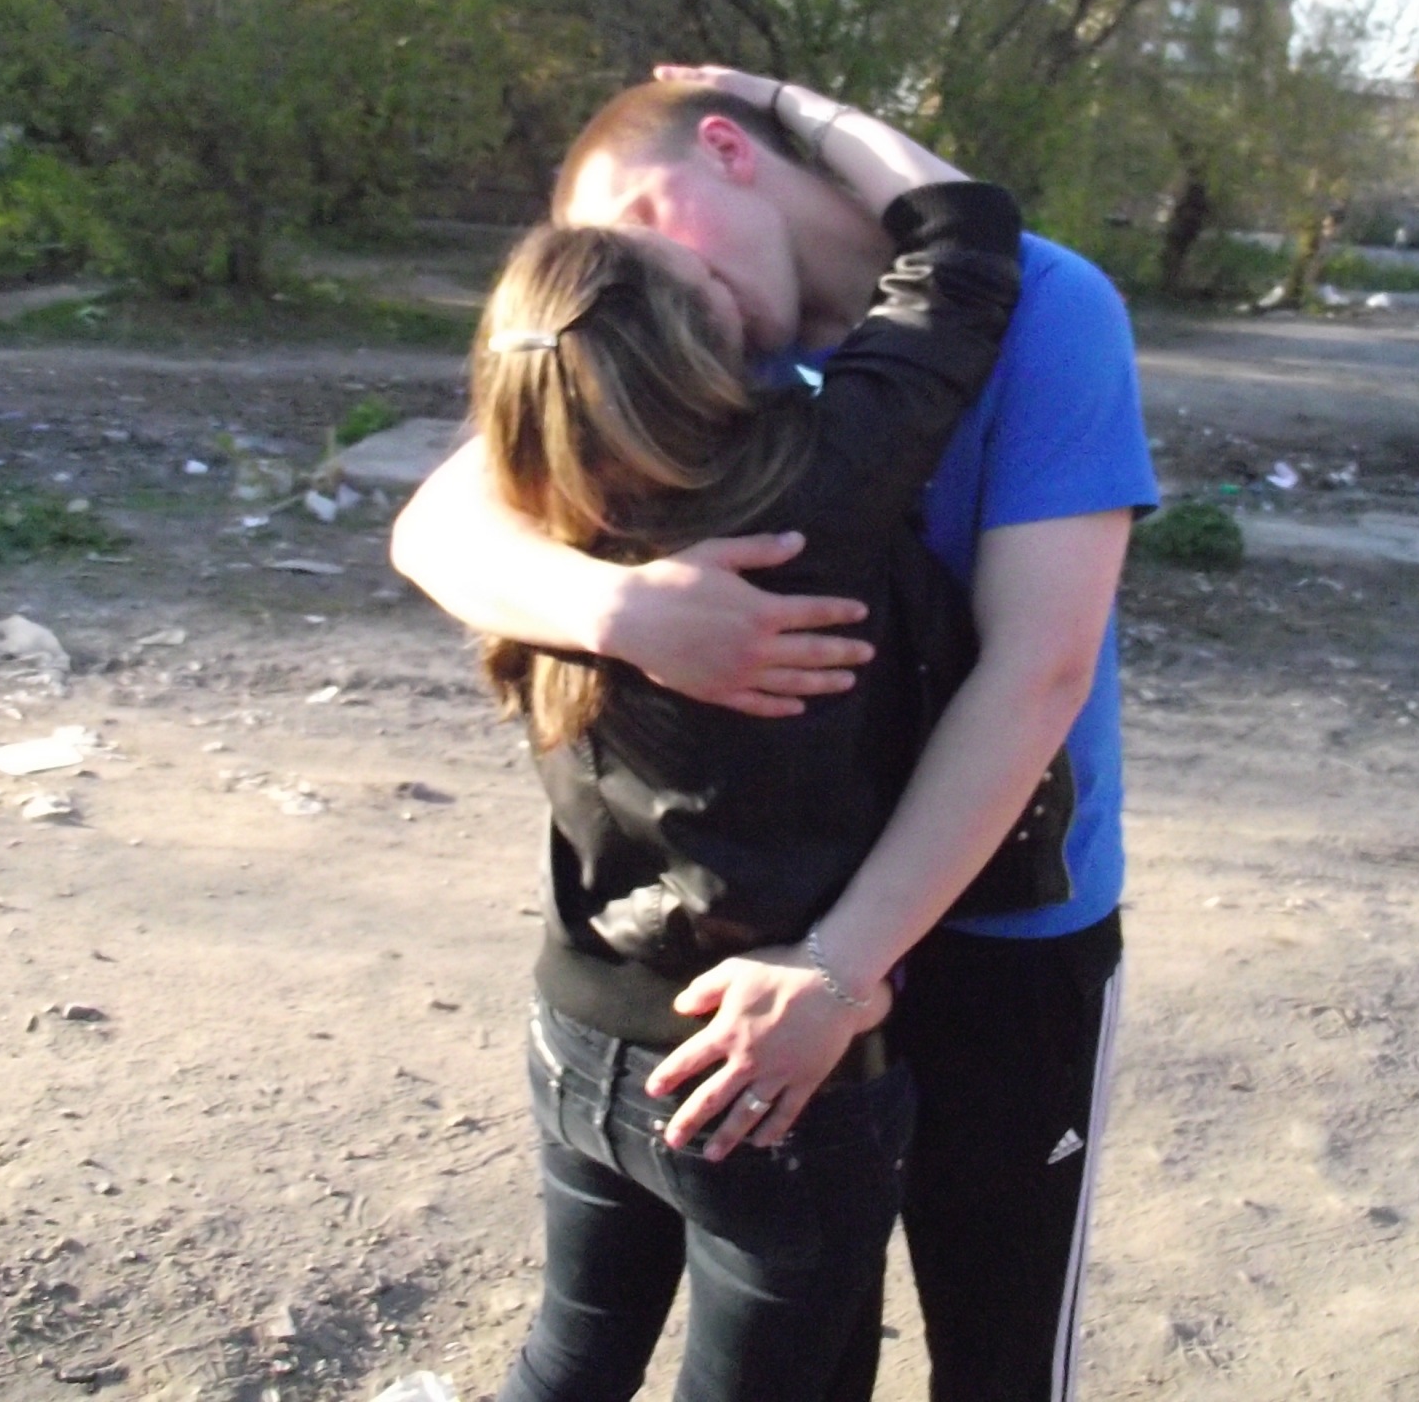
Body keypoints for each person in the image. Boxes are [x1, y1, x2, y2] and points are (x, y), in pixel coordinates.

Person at [393, 70, 1158, 1402]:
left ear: (728, 146)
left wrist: (845, 965)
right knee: (811, 1362)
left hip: (989, 932)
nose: (641, 269)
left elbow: (1039, 674)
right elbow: (439, 527)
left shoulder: (1047, 303)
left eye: (638, 223)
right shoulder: (675, 338)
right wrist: (631, 614)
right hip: (771, 965)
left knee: (999, 1354)